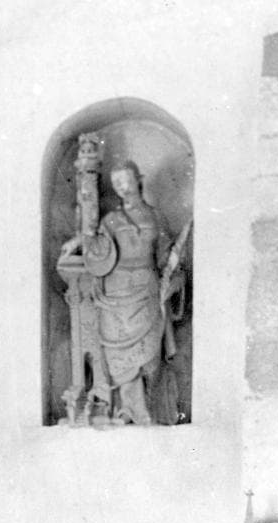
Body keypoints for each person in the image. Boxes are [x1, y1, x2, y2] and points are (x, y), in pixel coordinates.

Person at [80, 160, 182, 425]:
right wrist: (85, 238)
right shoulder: (110, 220)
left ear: (139, 179)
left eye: (125, 180)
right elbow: (98, 254)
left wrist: (175, 275)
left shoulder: (156, 217)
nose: (122, 187)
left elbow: (165, 257)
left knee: (149, 351)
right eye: (116, 183)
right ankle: (126, 411)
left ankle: (148, 409)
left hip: (146, 289)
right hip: (115, 293)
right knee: (119, 356)